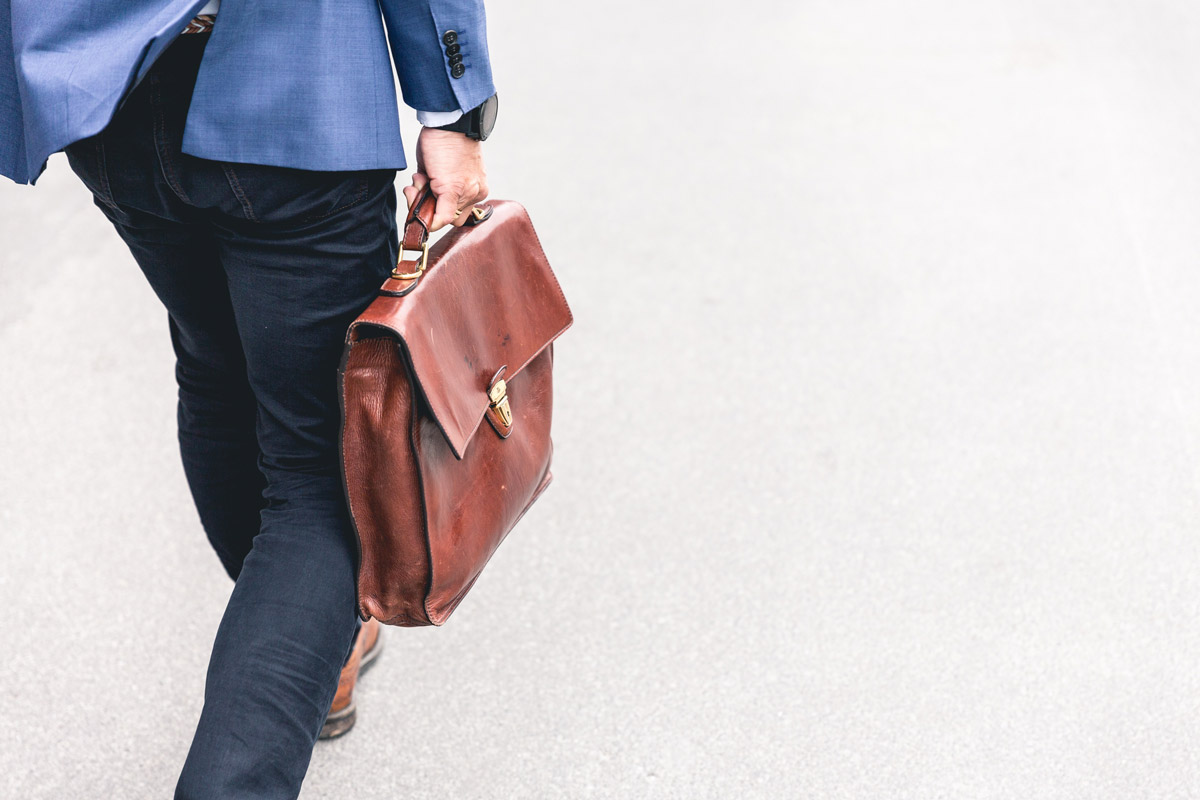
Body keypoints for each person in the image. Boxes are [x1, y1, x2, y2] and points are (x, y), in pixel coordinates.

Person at [0, 0, 499, 796]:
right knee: (322, 470)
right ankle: (276, 695)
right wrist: (452, 106)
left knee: (214, 367)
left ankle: (310, 645)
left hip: (107, 95)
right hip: (292, 90)